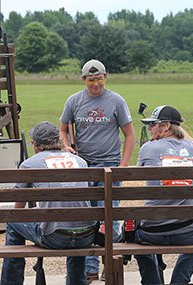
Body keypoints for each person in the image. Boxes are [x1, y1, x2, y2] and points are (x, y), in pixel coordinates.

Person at [59, 59, 135, 282]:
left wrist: (123, 164)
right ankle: (90, 268)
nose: (96, 84)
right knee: (86, 216)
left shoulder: (116, 101)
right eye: (91, 80)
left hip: (109, 164)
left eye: (99, 79)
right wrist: (66, 146)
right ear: (83, 80)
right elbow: (63, 128)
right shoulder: (74, 101)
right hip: (83, 166)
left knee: (109, 216)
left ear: (106, 77)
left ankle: (110, 263)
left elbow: (129, 134)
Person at [0, 121, 96, 285]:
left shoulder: (30, 164)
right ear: (58, 141)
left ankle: (11, 282)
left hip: (55, 237)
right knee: (76, 222)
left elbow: (18, 211)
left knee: (12, 222)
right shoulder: (80, 161)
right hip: (86, 236)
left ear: (36, 145)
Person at [134, 105, 193, 284]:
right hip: (188, 230)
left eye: (152, 124)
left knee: (133, 238)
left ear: (166, 126)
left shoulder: (148, 149)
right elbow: (190, 140)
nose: (149, 129)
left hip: (151, 232)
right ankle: (179, 281)